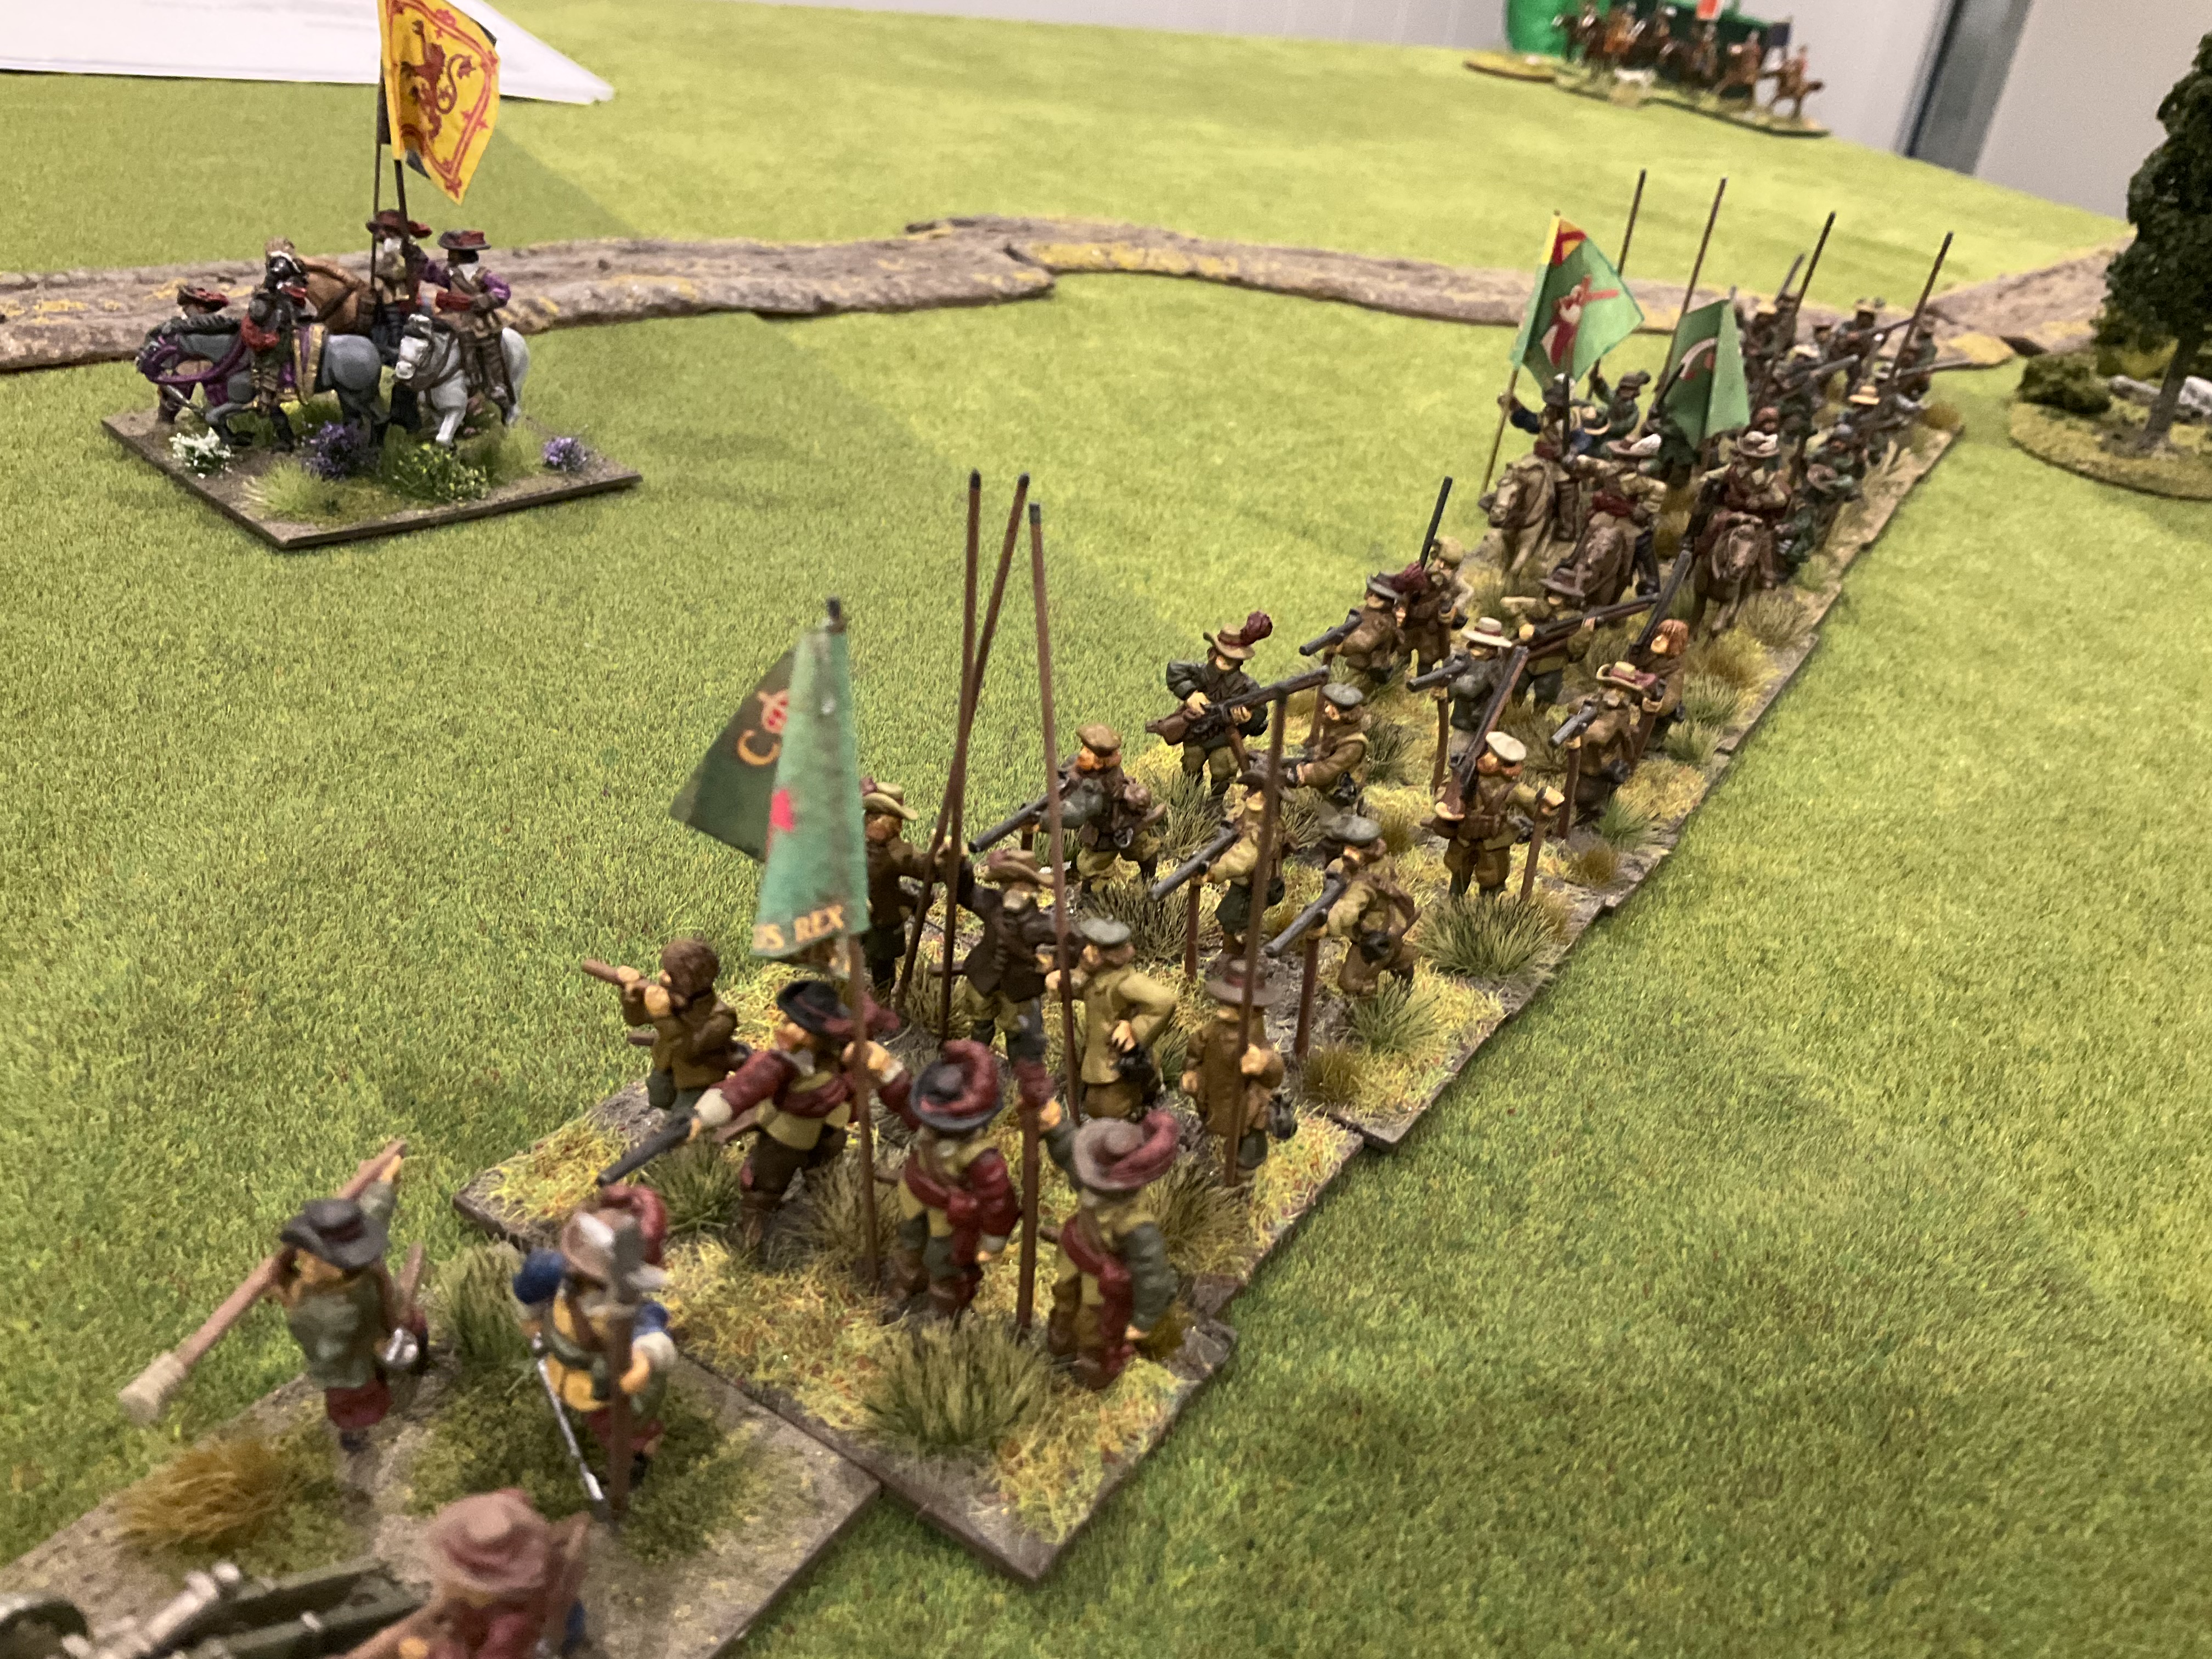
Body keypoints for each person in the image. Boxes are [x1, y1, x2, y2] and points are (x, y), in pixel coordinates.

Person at [702, 979, 902, 1252]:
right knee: (768, 1179)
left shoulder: (838, 1053)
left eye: (799, 1025)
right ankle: (755, 1218)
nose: (788, 1029)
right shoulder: (782, 1063)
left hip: (829, 1128)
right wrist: (705, 1114)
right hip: (787, 1133)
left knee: (825, 1167)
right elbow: (746, 1087)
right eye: (788, 1021)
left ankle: (826, 1201)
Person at [1020, 1065, 1181, 1390]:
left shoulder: (1136, 1226)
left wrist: (1144, 1320)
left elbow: (1152, 1274)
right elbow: (1070, 1150)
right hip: (1075, 1254)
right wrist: (1054, 1125)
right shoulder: (1093, 1179)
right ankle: (1060, 1344)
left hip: (1103, 1281)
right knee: (1065, 1301)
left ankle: (1093, 1367)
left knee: (1095, 1325)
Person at [511, 1189, 676, 1485]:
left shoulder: (628, 1309)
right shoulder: (559, 1271)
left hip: (604, 1383)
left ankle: (638, 1455)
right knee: (580, 1401)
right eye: (579, 1259)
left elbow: (653, 1333)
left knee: (619, 1429)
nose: (578, 1270)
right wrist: (531, 1317)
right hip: (565, 1364)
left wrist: (644, 1359)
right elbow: (531, 1284)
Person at [270, 1163, 425, 1452]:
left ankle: (417, 1361)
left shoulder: (332, 1305)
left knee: (411, 1331)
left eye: (313, 1260)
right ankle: (356, 1435)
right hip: (356, 1361)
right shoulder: (325, 1300)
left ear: (340, 1266)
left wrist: (287, 1295)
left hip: (375, 1334)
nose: (304, 1265)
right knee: (357, 1400)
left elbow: (315, 1341)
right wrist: (386, 1182)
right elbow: (324, 1352)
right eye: (304, 1256)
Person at [878, 1039, 1017, 1320]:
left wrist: (993, 1240)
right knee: (909, 1242)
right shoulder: (928, 1122)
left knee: (943, 1261)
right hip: (915, 1197)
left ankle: (942, 1310)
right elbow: (905, 1102)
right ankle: (905, 1286)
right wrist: (886, 1071)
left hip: (950, 1215)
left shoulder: (981, 1158)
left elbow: (999, 1200)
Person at [379, 1488, 591, 1659]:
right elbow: (577, 1526)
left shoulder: (509, 1630)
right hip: (546, 1615)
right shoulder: (531, 1555)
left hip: (544, 1631)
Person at [1045, 916, 1177, 1122]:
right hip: (1097, 1054)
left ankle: (1139, 1108)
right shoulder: (1098, 975)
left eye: (1094, 948)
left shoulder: (1126, 983)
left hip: (1116, 1059)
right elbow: (1086, 989)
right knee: (1096, 1104)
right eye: (1088, 945)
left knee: (1104, 1109)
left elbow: (1165, 1001)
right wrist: (1062, 981)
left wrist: (1134, 1031)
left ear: (1110, 955)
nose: (1086, 952)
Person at [1182, 955, 1289, 1180]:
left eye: (1233, 1002)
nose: (1225, 1005)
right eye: (1225, 999)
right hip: (1215, 1096)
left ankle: (1243, 1178)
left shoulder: (1253, 1037)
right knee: (1217, 1124)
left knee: (1249, 1149)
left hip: (1245, 1108)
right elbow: (1195, 1050)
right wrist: (1192, 1072)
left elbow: (1274, 1070)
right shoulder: (1212, 1030)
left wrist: (1263, 1062)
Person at [608, 938, 740, 1118]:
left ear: (688, 980)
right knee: (659, 1096)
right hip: (666, 1065)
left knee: (684, 1115)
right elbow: (636, 1020)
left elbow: (688, 1051)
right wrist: (632, 996)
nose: (662, 975)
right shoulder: (674, 997)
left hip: (697, 1079)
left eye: (670, 973)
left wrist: (664, 1017)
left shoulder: (721, 1019)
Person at [951, 848, 1058, 1062]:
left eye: (1023, 885)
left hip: (1019, 985)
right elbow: (965, 892)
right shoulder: (991, 904)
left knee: (1017, 1032)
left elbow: (1073, 943)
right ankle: (976, 1062)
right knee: (981, 1024)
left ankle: (1018, 1068)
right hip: (984, 977)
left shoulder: (1040, 923)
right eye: (1011, 884)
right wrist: (960, 864)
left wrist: (1054, 962)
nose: (1017, 890)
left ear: (1033, 888)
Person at [1427, 732, 1561, 900]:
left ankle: (1488, 906)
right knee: (1459, 870)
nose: (1487, 758)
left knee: (1493, 877)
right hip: (1465, 835)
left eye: (1495, 756)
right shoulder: (1468, 775)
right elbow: (1446, 789)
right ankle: (1454, 901)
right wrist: (1447, 800)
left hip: (1494, 841)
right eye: (1488, 752)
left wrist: (1547, 807)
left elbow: (1533, 804)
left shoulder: (1513, 789)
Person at [1159, 612, 1273, 797]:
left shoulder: (1247, 686)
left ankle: (1216, 802)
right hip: (1197, 732)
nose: (1223, 660)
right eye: (1221, 653)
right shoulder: (1203, 673)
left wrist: (1247, 718)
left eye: (1230, 657)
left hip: (1224, 737)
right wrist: (1191, 694)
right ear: (1213, 653)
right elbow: (1174, 669)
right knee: (1191, 763)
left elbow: (1261, 710)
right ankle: (1188, 798)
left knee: (1223, 768)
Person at [1322, 817, 1419, 997]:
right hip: (1370, 928)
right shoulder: (1345, 866)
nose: (1348, 855)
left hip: (1376, 933)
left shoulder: (1372, 876)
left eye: (1354, 851)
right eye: (1347, 849)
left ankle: (1370, 1007)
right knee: (1392, 955)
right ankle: (1402, 960)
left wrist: (1328, 923)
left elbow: (1352, 904)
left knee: (1351, 981)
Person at [1059, 725, 1164, 890]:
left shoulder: (1110, 775)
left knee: (1145, 849)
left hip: (1124, 823)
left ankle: (1149, 880)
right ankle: (1092, 896)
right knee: (1091, 866)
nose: (1084, 754)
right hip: (1102, 830)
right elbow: (1066, 780)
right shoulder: (1078, 768)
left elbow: (1110, 791)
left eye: (1090, 752)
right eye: (1086, 749)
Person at [431, 229, 514, 419]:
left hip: (478, 321)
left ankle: (495, 385)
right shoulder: (451, 273)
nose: (449, 255)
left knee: (487, 348)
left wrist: (478, 302)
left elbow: (503, 292)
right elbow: (433, 274)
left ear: (463, 255)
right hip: (453, 317)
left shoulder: (484, 275)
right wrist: (415, 256)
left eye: (453, 252)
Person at [860, 779, 933, 994]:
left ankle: (882, 995)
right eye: (869, 815)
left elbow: (925, 868)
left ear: (896, 826)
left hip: (885, 919)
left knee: (882, 962)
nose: (870, 821)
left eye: (878, 818)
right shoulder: (858, 843)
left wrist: (939, 861)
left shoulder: (900, 853)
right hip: (859, 914)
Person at [1206, 783, 1284, 960]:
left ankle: (1234, 959)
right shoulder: (1244, 812)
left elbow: (1243, 858)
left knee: (1235, 918)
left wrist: (1214, 873)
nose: (1257, 796)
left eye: (1264, 794)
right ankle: (1235, 955)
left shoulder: (1266, 829)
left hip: (1257, 886)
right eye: (1254, 790)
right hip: (1246, 883)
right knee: (1234, 917)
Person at [1291, 682, 1371, 810]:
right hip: (1325, 784)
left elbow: (1328, 770)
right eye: (1328, 705)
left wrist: (1304, 772)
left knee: (1326, 819)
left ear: (1344, 714)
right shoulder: (1337, 728)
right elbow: (1322, 751)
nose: (1327, 710)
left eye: (1332, 708)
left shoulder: (1354, 744)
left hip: (1339, 793)